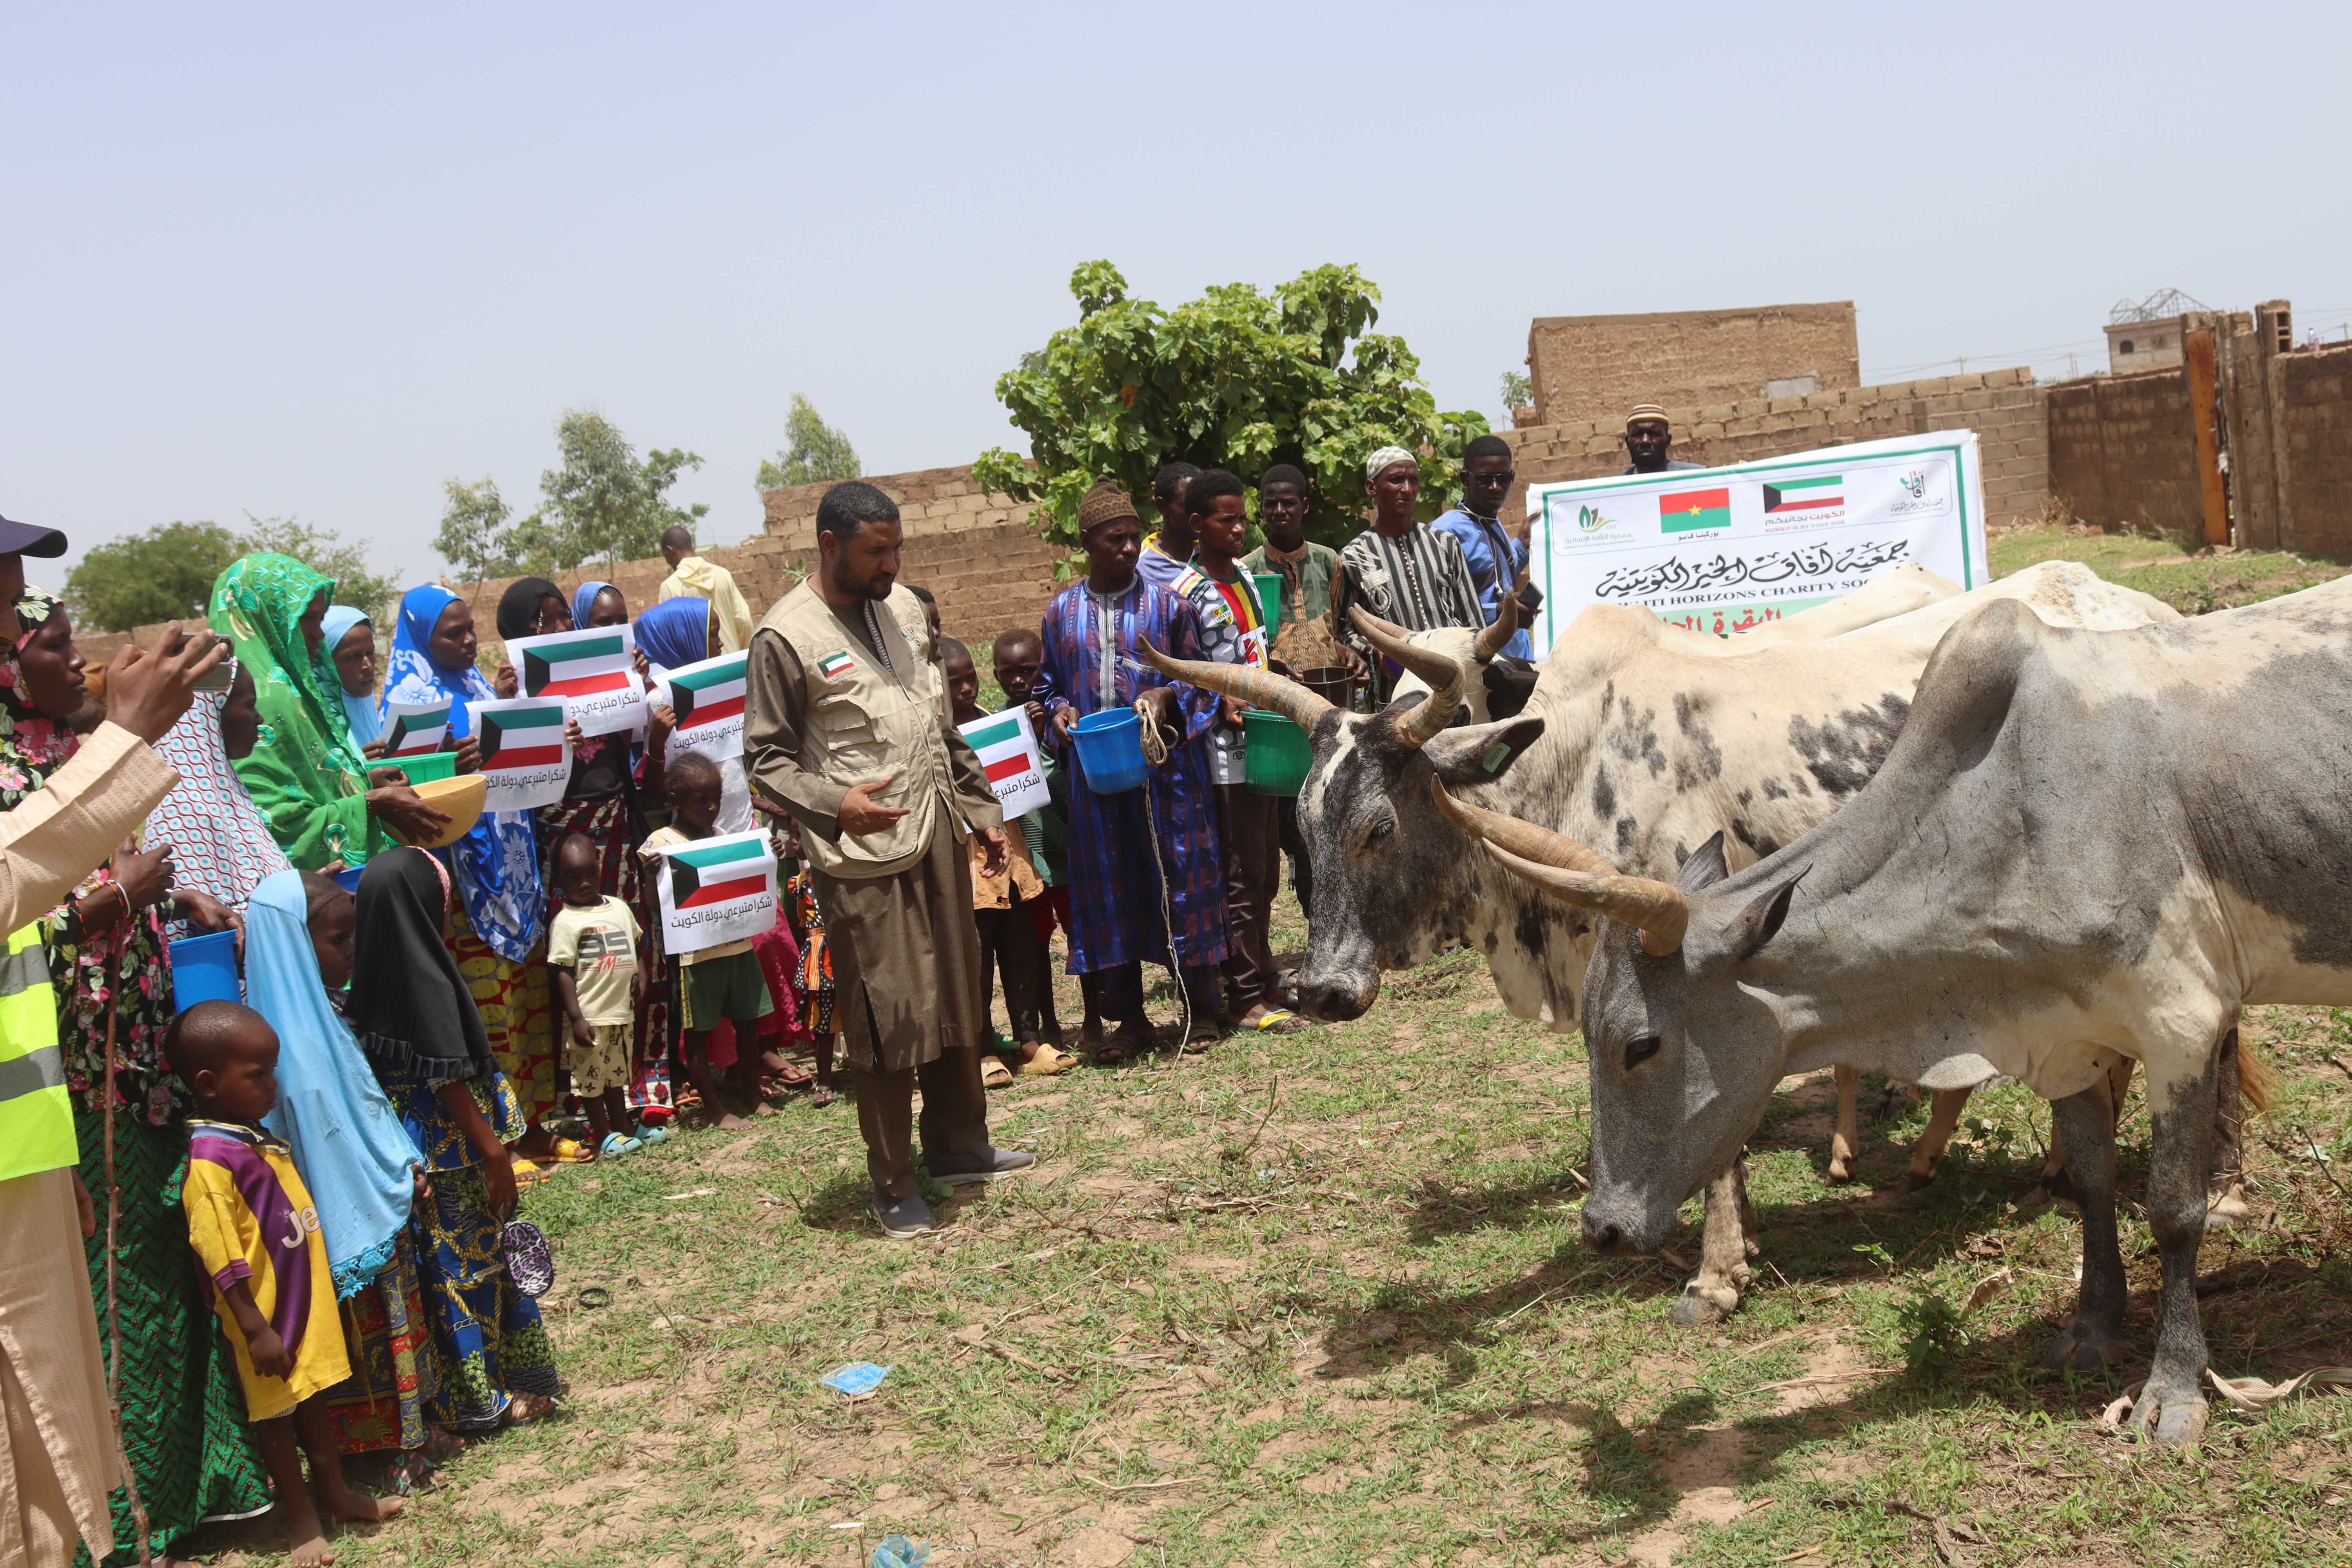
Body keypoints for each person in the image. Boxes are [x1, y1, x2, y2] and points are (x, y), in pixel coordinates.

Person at [2, 586, 276, 1564]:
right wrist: (112, 895)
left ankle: (179, 1497)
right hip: (65, 1082)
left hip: (133, 1060)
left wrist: (160, 899)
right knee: (90, 1313)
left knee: (163, 1274)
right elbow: (24, 914)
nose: (77, 665)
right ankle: (121, 1523)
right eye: (58, 645)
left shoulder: (46, 758)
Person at [744, 479, 1033, 1240]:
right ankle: (895, 1180)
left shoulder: (904, 608)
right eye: (878, 550)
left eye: (898, 547)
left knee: (958, 994)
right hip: (862, 854)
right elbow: (766, 761)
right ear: (829, 545)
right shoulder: (786, 637)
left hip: (935, 829)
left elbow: (939, 728)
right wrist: (836, 803)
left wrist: (983, 810)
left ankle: (960, 1144)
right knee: (889, 1013)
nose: (892, 562)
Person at [168, 1001, 403, 1566]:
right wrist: (255, 1329)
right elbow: (220, 1255)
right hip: (268, 1323)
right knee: (277, 1419)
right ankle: (301, 1518)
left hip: (304, 1308)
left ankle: (337, 1496)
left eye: (272, 1070)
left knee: (315, 1401)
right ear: (208, 1084)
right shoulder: (211, 1162)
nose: (273, 1085)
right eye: (258, 1075)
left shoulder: (250, 1137)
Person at [346, 848, 559, 1430]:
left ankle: (468, 1393)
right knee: (469, 1276)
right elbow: (446, 1077)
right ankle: (483, 1398)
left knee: (445, 1276)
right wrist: (494, 1153)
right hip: (454, 1156)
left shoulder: (366, 976)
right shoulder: (424, 980)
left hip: (412, 1154)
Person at [246, 868, 446, 1488]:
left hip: (372, 1196)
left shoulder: (322, 1016)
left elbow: (363, 1108)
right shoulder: (288, 1046)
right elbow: (321, 1145)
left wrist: (398, 1164)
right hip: (341, 1219)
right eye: (339, 942)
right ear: (296, 947)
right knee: (366, 1343)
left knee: (396, 1329)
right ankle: (381, 1451)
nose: (351, 953)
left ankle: (410, 1432)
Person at [1033, 481, 1227, 1060]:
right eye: (1113, 539)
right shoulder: (1060, 615)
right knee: (1111, 889)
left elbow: (1202, 682)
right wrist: (1062, 715)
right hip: (1097, 781)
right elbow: (1045, 692)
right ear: (1087, 542)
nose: (1126, 548)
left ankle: (1202, 1009)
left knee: (1181, 880)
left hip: (1167, 776)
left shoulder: (1172, 608)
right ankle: (1132, 1019)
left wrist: (1169, 697)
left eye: (1131, 537)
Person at [380, 586, 561, 1163]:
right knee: (488, 1006)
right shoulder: (410, 699)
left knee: (524, 995)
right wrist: (446, 766)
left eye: (469, 629)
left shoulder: (475, 684)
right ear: (421, 638)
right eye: (451, 633)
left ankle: (534, 1125)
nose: (467, 641)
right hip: (465, 876)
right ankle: (499, 1141)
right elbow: (404, 789)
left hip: (511, 864)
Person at [212, 555, 448, 870]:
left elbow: (308, 778)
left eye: (320, 619)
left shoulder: (294, 687)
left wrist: (360, 779)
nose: (318, 634)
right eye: (305, 619)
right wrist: (371, 803)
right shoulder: (260, 698)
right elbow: (274, 821)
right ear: (266, 618)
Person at [1171, 471, 1301, 1035]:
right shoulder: (1184, 595)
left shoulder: (1248, 577)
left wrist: (1278, 677)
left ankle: (1265, 975)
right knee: (1241, 875)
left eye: (1240, 517)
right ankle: (1244, 996)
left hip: (1265, 743)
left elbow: (1255, 651)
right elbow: (1177, 677)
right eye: (1226, 520)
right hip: (1224, 757)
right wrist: (1217, 695)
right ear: (1198, 525)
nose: (1239, 527)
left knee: (1265, 869)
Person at [541, 580, 673, 1127]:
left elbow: (640, 760)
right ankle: (587, 1089)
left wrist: (638, 690)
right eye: (599, 623)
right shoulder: (546, 694)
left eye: (620, 620)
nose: (611, 632)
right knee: (583, 955)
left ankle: (646, 1076)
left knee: (630, 948)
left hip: (618, 827)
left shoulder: (626, 683)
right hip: (570, 835)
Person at [938, 638, 1071, 1081]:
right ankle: (981, 1047)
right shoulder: (934, 744)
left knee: (1021, 954)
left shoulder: (994, 725)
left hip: (1010, 861)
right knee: (977, 963)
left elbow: (1024, 788)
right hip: (968, 871)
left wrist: (1027, 743)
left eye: (970, 679)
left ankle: (1029, 1041)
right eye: (952, 682)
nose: (965, 690)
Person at [639, 753, 772, 1129]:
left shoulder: (723, 838)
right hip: (695, 956)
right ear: (675, 801)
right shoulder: (660, 843)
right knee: (697, 1033)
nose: (713, 808)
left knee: (748, 1024)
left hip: (737, 947)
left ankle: (753, 1094)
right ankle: (714, 1109)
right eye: (702, 800)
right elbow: (655, 907)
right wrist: (651, 879)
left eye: (716, 798)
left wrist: (766, 856)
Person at [149, 659, 295, 933]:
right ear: (209, 715)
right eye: (249, 706)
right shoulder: (184, 810)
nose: (259, 718)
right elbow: (202, 930)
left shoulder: (224, 792)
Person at [988, 627, 1081, 1048]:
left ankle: (1094, 1018)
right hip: (1030, 858)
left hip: (1068, 851)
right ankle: (1050, 1025)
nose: (1019, 680)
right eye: (1009, 673)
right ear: (996, 676)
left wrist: (1046, 732)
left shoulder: (1063, 716)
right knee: (1038, 943)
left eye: (1028, 670)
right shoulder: (995, 727)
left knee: (1080, 935)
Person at [1336, 447, 1486, 703]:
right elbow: (1345, 629)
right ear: (1372, 488)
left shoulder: (1445, 544)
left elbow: (1473, 619)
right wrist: (1378, 652)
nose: (1407, 489)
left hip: (1459, 688)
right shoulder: (1354, 556)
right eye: (1396, 480)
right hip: (1398, 693)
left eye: (1413, 480)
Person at [547, 832, 661, 1157]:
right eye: (573, 878)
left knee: (615, 1076)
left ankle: (624, 1128)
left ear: (600, 869)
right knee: (591, 1081)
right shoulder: (567, 922)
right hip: (591, 1018)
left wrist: (642, 977)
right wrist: (577, 1018)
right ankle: (604, 1135)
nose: (584, 884)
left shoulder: (620, 908)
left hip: (619, 1012)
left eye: (589, 875)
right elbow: (563, 972)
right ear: (558, 880)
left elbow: (636, 947)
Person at [637, 595, 753, 835]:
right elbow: (657, 788)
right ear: (684, 638)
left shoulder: (719, 687)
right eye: (712, 635)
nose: (720, 643)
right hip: (699, 837)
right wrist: (657, 744)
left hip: (744, 824)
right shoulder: (660, 700)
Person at [1238, 464, 1363, 677]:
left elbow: (1331, 631)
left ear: (1304, 506)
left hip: (1328, 683)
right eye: (1271, 504)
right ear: (1261, 508)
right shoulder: (1246, 569)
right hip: (1277, 689)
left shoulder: (1328, 560)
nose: (1279, 511)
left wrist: (1344, 651)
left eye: (1288, 503)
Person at [1432, 434, 1535, 660]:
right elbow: (1441, 606)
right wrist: (1497, 612)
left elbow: (1499, 578)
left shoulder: (1491, 520)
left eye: (1504, 478)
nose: (1496, 487)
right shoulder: (1446, 532)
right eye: (1484, 479)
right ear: (1464, 479)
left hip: (1518, 651)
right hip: (1482, 661)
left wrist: (1522, 544)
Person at [658, 526, 754, 652]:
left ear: (670, 551)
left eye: (666, 557)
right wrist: (740, 654)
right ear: (691, 547)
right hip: (734, 665)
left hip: (700, 670)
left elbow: (669, 639)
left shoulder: (670, 587)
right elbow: (745, 621)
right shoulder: (723, 575)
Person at [320, 606, 384, 754]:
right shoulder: (313, 725)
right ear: (325, 663)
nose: (368, 666)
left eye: (370, 653)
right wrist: (355, 767)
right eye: (351, 658)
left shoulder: (373, 714)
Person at [1134, 461, 1199, 593]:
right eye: (1189, 505)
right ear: (1162, 506)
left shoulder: (1209, 555)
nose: (1200, 513)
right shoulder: (1141, 570)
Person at [1622, 403, 1705, 474]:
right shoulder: (1617, 489)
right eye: (1638, 434)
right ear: (1627, 442)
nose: (1645, 441)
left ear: (1668, 441)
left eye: (1654, 434)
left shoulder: (1699, 479)